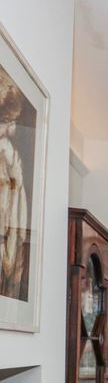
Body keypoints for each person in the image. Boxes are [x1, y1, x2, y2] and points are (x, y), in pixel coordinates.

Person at [0, 67, 29, 301]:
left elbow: (17, 219)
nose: (12, 129)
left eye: (13, 121)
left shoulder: (10, 156)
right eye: (7, 121)